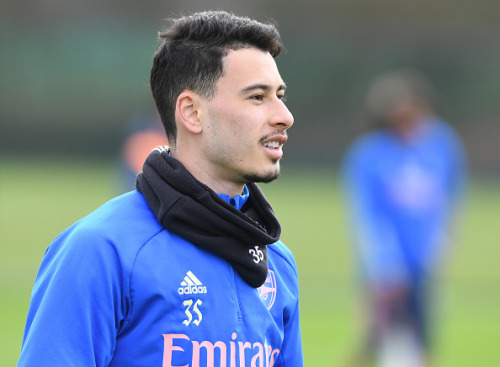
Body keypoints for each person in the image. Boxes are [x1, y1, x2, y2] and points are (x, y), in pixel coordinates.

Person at [18, 11, 303, 367]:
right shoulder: (99, 250)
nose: (284, 116)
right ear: (192, 112)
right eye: (257, 97)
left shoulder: (277, 262)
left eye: (280, 95)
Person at [341, 69, 467, 367]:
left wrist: (445, 239)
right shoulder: (369, 154)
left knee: (423, 334)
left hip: (423, 258)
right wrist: (385, 262)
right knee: (376, 335)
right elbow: (367, 214)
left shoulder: (441, 144)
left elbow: (452, 196)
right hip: (384, 264)